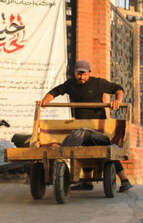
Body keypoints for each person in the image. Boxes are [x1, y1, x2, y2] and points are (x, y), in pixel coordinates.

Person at [37, 60, 133, 192]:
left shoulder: (98, 83)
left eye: (84, 74)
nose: (81, 77)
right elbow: (56, 91)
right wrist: (44, 101)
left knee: (108, 150)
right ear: (75, 73)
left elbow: (118, 89)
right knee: (83, 150)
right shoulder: (70, 84)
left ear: (89, 73)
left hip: (98, 128)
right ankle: (87, 182)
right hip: (81, 127)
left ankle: (125, 180)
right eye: (78, 74)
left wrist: (117, 101)